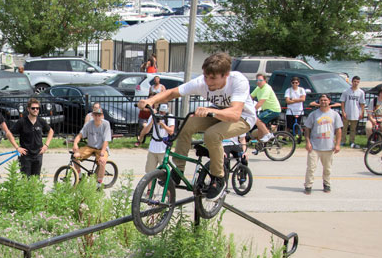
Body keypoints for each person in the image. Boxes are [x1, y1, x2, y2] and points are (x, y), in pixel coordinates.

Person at [139, 52, 256, 200]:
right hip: (217, 113)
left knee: (212, 135)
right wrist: (151, 100)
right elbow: (172, 93)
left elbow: (234, 114)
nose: (208, 82)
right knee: (186, 125)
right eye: (206, 76)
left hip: (243, 118)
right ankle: (178, 171)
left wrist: (210, 110)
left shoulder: (238, 81)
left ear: (226, 75)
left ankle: (218, 178)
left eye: (213, 78)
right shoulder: (201, 82)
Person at [302, 94, 343, 194]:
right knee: (311, 168)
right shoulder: (314, 114)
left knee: (327, 169)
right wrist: (308, 142)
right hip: (315, 147)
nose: (323, 102)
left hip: (328, 147)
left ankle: (327, 184)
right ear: (319, 102)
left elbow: (338, 130)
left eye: (325, 100)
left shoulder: (334, 114)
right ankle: (308, 185)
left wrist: (337, 144)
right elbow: (307, 129)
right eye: (321, 100)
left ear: (329, 101)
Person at [12, 98, 53, 176]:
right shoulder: (22, 122)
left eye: (37, 108)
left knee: (35, 180)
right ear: (28, 109)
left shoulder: (41, 121)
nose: (35, 110)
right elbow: (9, 134)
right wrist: (17, 147)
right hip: (26, 155)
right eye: (33, 108)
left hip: (38, 154)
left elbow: (51, 131)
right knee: (25, 180)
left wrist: (46, 145)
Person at [72, 107, 112, 186]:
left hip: (101, 148)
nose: (97, 117)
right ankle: (79, 177)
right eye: (95, 115)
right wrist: (75, 144)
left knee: (102, 162)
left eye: (99, 115)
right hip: (90, 147)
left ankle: (99, 183)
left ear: (102, 116)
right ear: (92, 115)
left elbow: (106, 141)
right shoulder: (89, 124)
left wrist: (102, 153)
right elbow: (80, 135)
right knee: (75, 156)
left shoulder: (106, 124)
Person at [250, 73, 279, 143]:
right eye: (257, 80)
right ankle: (260, 144)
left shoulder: (267, 88)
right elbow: (250, 97)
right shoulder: (258, 88)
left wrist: (252, 110)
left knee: (257, 120)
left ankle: (268, 134)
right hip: (266, 110)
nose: (258, 82)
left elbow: (261, 102)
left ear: (265, 81)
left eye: (260, 80)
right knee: (260, 126)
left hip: (273, 110)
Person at [340, 76, 366, 148]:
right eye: (355, 81)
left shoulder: (361, 92)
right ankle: (343, 141)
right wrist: (343, 112)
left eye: (357, 82)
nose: (356, 83)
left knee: (353, 129)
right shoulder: (346, 91)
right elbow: (342, 102)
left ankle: (352, 141)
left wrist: (362, 112)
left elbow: (362, 103)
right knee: (344, 128)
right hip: (347, 112)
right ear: (352, 82)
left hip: (356, 113)